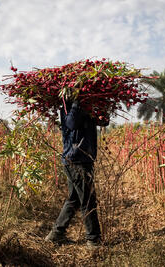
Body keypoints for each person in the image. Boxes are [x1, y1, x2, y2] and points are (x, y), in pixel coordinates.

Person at [45, 99, 109, 247]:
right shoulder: (68, 108)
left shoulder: (88, 107)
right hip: (75, 159)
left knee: (74, 199)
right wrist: (77, 102)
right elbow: (72, 123)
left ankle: (56, 234)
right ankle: (93, 240)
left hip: (84, 159)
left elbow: (104, 121)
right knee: (88, 199)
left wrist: (101, 105)